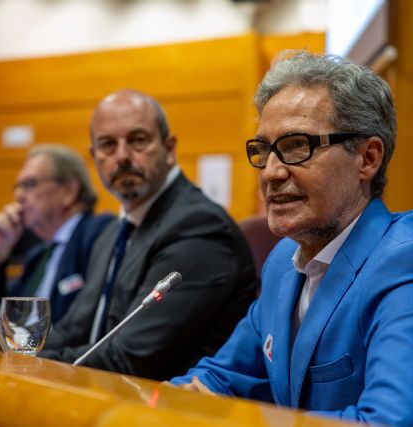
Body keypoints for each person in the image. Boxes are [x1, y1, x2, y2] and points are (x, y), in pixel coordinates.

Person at [169, 51, 413, 425]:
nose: (271, 173)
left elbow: (387, 423)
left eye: (297, 146)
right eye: (263, 151)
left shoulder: (409, 269)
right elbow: (215, 378)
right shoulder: (283, 261)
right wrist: (179, 400)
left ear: (367, 159)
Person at [40, 89, 258, 381]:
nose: (122, 156)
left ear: (169, 149)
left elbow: (129, 358)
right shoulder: (112, 233)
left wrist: (30, 364)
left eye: (137, 140)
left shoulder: (199, 227)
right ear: (94, 157)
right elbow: (74, 329)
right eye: (107, 145)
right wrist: (13, 353)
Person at [0, 144, 114, 323]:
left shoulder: (100, 234)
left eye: (30, 184)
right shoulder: (38, 255)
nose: (19, 195)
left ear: (69, 191)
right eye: (18, 186)